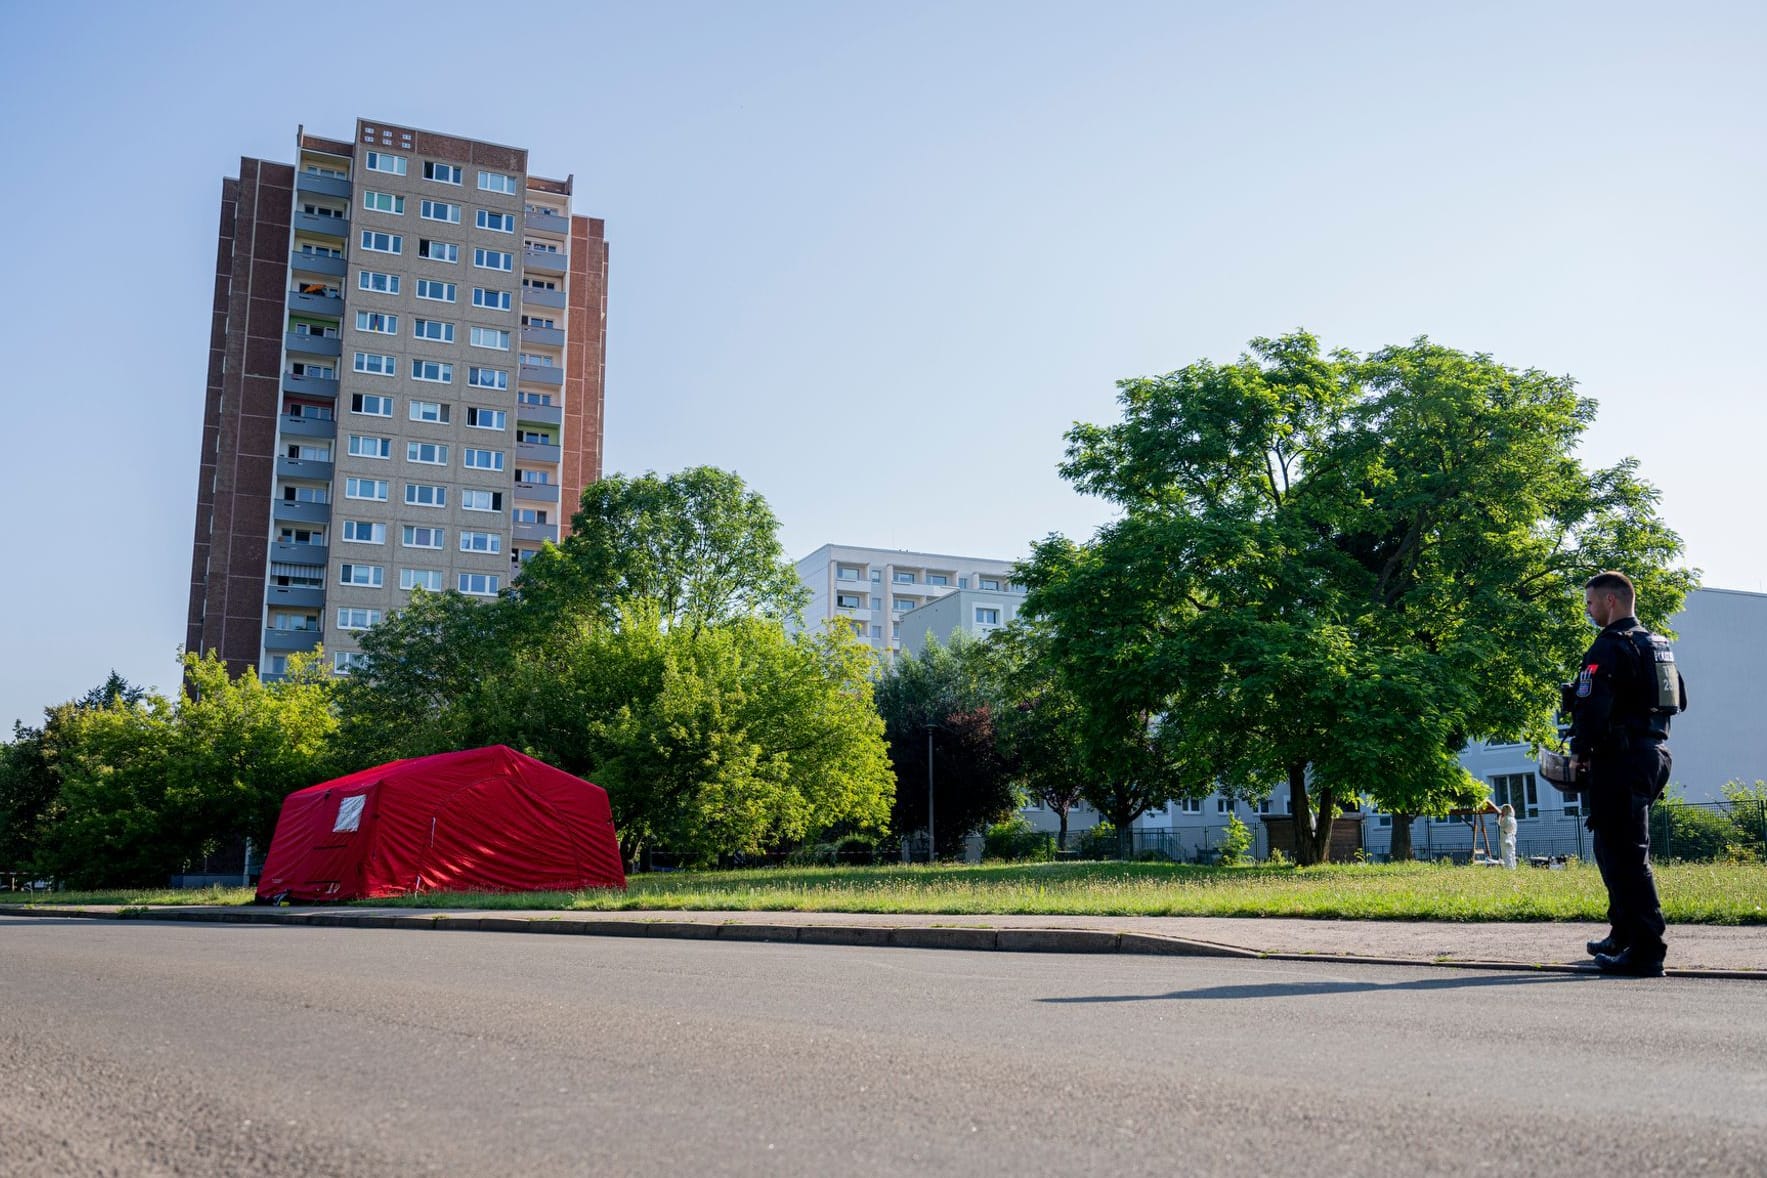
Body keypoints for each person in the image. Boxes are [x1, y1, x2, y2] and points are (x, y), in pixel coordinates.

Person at [1569, 570, 1686, 977]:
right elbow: (1677, 699)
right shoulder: (1657, 645)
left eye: (1590, 602)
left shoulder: (1608, 646)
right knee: (1610, 847)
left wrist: (1580, 752)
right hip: (1654, 754)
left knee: (1627, 857)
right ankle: (1622, 933)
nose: (1588, 609)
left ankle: (1647, 950)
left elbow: (1592, 708)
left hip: (1619, 760)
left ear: (1611, 601)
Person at [1498, 803, 1517, 869]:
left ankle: (1509, 868)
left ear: (1507, 810)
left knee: (1506, 855)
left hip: (1506, 838)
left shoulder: (1507, 818)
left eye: (1503, 810)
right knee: (1512, 854)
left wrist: (1505, 832)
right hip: (1512, 838)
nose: (1502, 811)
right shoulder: (1513, 819)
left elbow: (1501, 825)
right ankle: (1513, 868)